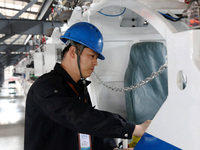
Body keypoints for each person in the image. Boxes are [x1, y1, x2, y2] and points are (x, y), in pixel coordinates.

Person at [24, 22, 151, 150]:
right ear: (73, 52)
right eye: (92, 56)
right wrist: (134, 129)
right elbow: (80, 117)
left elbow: (91, 128)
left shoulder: (79, 89)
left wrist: (112, 148)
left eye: (96, 58)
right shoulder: (45, 87)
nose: (95, 63)